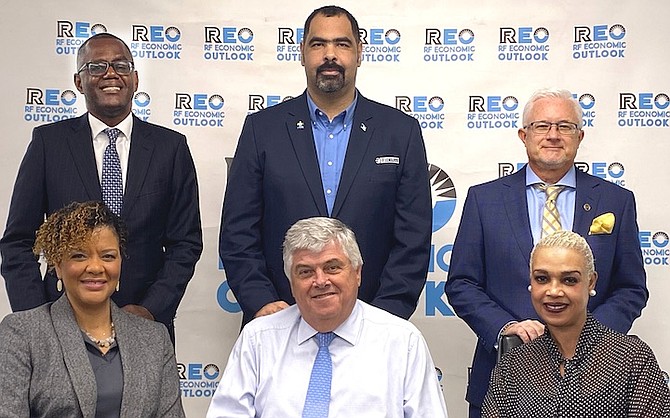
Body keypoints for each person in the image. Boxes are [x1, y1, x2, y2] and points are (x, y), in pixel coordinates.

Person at [219, 5, 432, 327]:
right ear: (302, 53)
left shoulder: (400, 132)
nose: (329, 55)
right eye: (318, 44)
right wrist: (262, 303)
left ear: (360, 53)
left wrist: (385, 316)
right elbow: (238, 233)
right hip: (279, 321)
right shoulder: (262, 130)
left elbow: (412, 239)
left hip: (372, 325)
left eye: (342, 44)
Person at [444, 88, 648, 417]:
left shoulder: (615, 201)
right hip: (503, 375)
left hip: (599, 380)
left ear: (579, 136)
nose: (553, 135)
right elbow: (462, 283)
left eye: (564, 126)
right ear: (524, 135)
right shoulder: (485, 200)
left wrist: (588, 338)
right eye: (542, 126)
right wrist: (505, 328)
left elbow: (631, 288)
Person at [0, 33, 202, 341]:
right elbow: (17, 242)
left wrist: (151, 309)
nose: (111, 74)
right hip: (61, 323)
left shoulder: (170, 148)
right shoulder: (48, 144)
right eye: (96, 67)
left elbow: (185, 243)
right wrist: (38, 318)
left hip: (144, 324)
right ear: (79, 82)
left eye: (121, 65)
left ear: (134, 79)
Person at [207, 217, 448, 417]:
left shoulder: (402, 341)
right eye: (305, 271)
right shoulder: (258, 339)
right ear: (291, 283)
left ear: (357, 273)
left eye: (332, 267)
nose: (320, 281)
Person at [0, 201, 185, 417]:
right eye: (79, 255)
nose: (96, 267)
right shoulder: (22, 333)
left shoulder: (154, 338)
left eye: (108, 256)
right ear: (58, 265)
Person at [482, 231, 670, 417]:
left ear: (591, 282)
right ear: (531, 281)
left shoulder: (632, 358)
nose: (554, 291)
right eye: (542, 278)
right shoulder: (512, 365)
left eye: (569, 280)